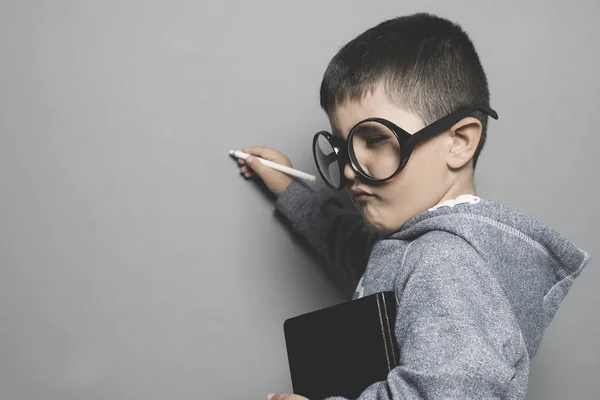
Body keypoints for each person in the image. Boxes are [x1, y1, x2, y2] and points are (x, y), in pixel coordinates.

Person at [236, 13, 591, 400]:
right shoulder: (416, 250)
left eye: (373, 138)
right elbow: (350, 246)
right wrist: (287, 185)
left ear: (459, 142)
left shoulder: (444, 261)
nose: (351, 168)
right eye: (341, 147)